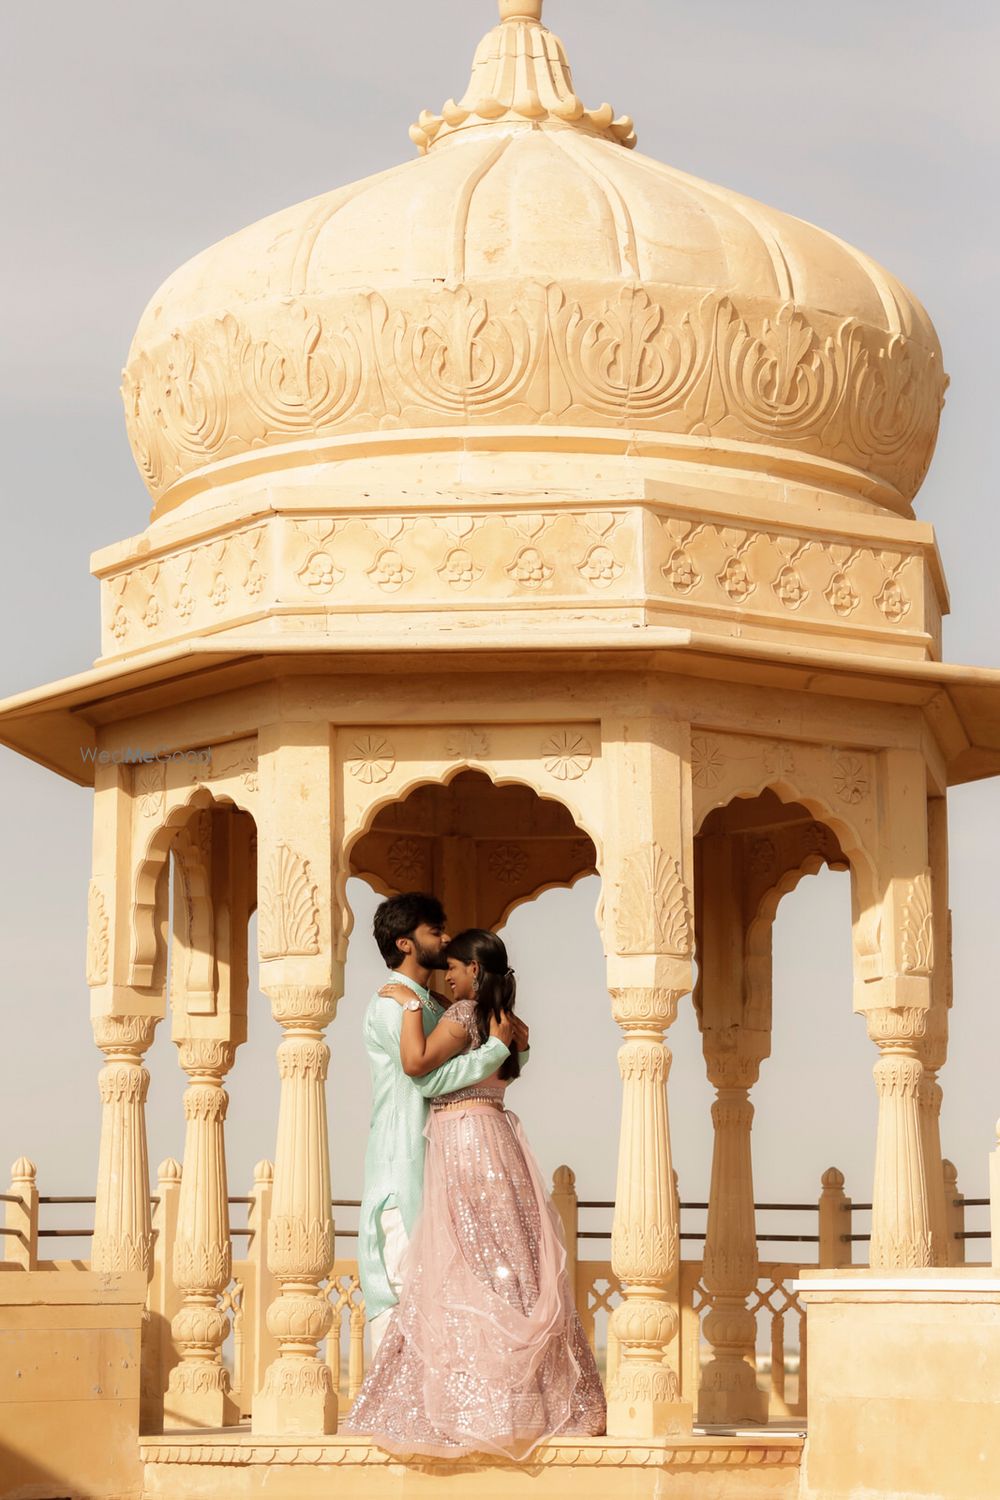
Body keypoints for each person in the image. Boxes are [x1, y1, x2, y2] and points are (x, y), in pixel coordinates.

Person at [344, 928, 606, 1460]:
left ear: (476, 972)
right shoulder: (510, 1023)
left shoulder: (463, 1018)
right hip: (500, 1138)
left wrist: (413, 1012)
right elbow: (508, 1063)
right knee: (511, 1262)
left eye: (458, 969)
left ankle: (473, 1408)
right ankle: (526, 1403)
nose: (449, 975)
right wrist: (491, 1046)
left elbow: (420, 1074)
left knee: (467, 1262)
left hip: (463, 1139)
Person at [357, 893, 528, 1357]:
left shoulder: (431, 1003)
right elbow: (426, 1081)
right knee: (400, 1281)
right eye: (435, 932)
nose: (446, 939)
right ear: (405, 944)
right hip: (404, 1159)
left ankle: (430, 1408)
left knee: (439, 1283)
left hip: (439, 1163)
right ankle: (388, 1409)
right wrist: (496, 1050)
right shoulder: (396, 1006)